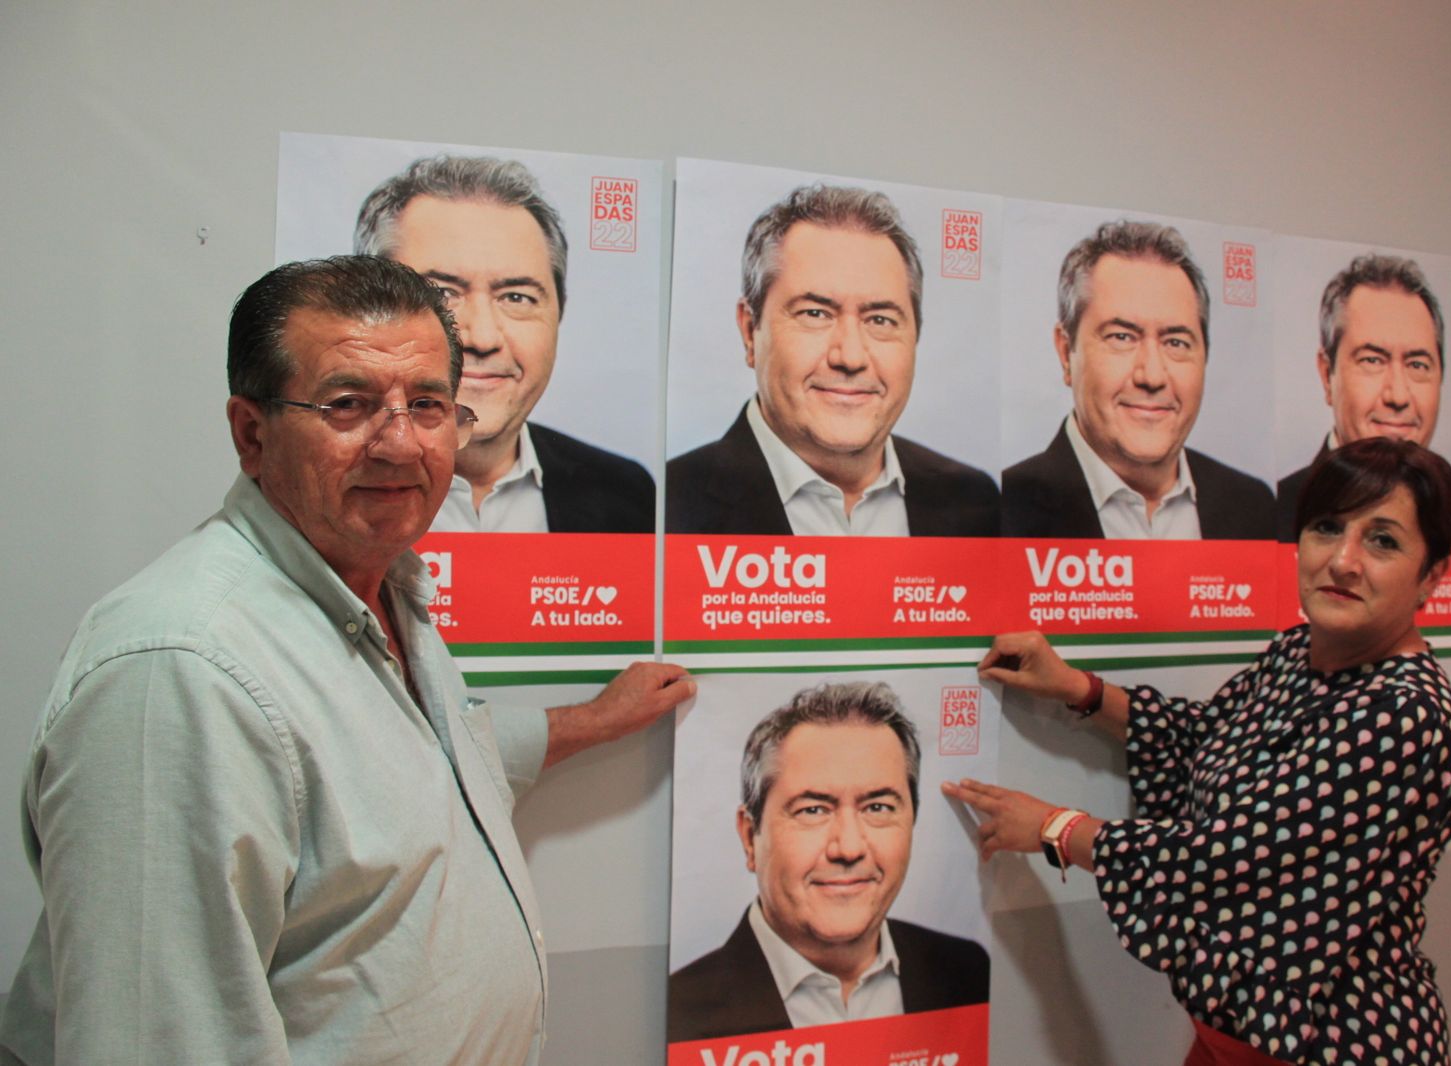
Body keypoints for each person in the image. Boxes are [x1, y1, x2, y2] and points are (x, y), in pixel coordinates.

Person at [0, 257, 694, 1064]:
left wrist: (596, 720)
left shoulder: (379, 586)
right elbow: (157, 1042)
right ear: (252, 433)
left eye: (427, 405)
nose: (399, 444)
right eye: (348, 405)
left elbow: (415, 766)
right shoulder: (182, 674)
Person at [948, 437, 1451, 1065]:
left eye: (1382, 541)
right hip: (1236, 1039)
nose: (1343, 560)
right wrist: (1079, 689)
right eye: (1327, 528)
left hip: (1336, 1043)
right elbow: (1208, 736)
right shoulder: (1298, 652)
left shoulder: (1405, 715)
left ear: (1432, 574)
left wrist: (1055, 828)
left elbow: (1234, 857)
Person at [666, 184, 998, 537]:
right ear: (750, 331)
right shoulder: (666, 505)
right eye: (815, 314)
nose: (850, 357)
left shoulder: (976, 501)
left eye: (880, 320)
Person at [668, 681, 988, 1043]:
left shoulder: (967, 972)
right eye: (813, 810)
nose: (848, 848)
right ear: (749, 837)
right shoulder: (678, 1014)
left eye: (878, 807)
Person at [356, 154, 655, 533]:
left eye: (516, 297)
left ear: (558, 314)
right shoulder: (315, 495)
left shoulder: (627, 494)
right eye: (441, 294)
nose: (482, 338)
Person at [1002, 220, 1273, 540]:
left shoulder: (1254, 506)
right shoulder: (1002, 512)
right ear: (1065, 352)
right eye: (1121, 337)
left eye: (1176, 342)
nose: (1152, 376)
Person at [1275, 253, 1451, 543]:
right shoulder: (1274, 512)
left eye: (1417, 365)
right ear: (1327, 375)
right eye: (1372, 361)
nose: (1398, 396)